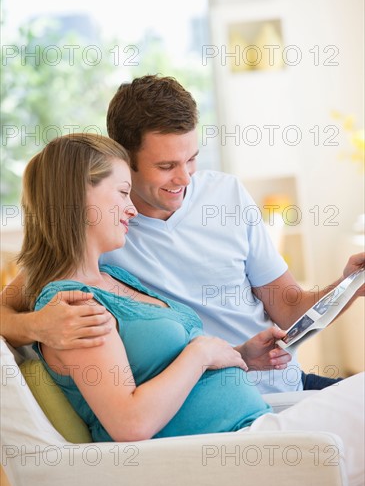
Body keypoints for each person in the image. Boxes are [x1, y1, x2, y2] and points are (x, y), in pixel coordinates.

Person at [16, 134, 365, 486]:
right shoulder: (72, 307)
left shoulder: (113, 278)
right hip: (234, 457)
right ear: (78, 201)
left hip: (256, 435)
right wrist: (199, 353)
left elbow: (161, 368)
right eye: (121, 193)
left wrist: (238, 355)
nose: (130, 208)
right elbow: (128, 423)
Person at [1, 75, 364, 393]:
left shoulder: (227, 194)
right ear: (124, 160)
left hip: (286, 384)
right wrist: (37, 326)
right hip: (220, 406)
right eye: (166, 166)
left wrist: (349, 285)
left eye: (192, 159)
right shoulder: (99, 233)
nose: (185, 178)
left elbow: (288, 308)